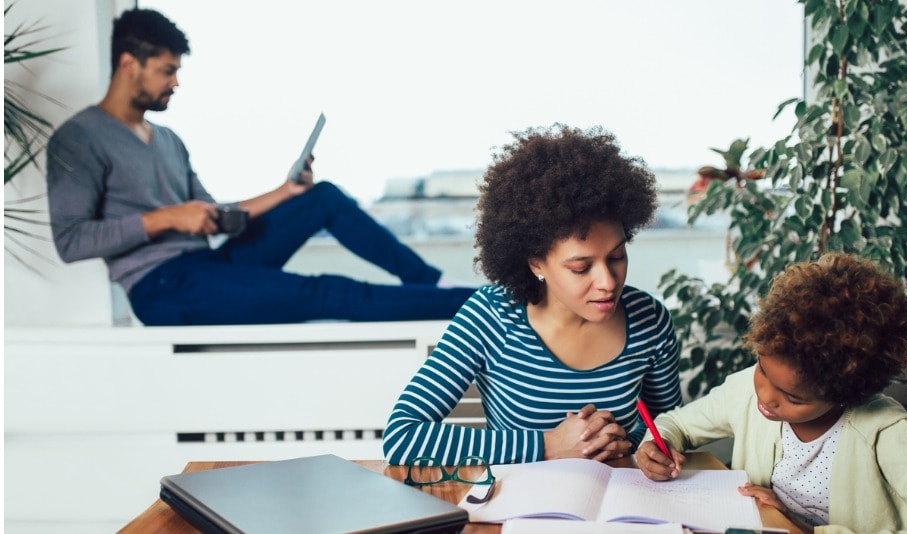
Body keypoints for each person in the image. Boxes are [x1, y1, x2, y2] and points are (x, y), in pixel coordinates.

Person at [45, 8, 475, 326]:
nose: (176, 82)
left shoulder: (168, 140)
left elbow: (213, 216)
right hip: (162, 289)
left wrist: (284, 193)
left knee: (321, 196)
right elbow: (70, 241)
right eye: (166, 71)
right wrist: (168, 218)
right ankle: (476, 306)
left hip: (207, 265)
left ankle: (434, 282)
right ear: (128, 64)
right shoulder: (80, 138)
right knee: (326, 290)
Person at [383, 124, 682, 466]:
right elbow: (402, 436)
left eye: (616, 257)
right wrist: (549, 444)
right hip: (521, 512)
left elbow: (670, 428)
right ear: (537, 263)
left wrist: (641, 447)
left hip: (621, 507)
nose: (608, 282)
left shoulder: (650, 320)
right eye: (581, 267)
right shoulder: (491, 316)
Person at [635, 253, 907, 533]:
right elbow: (677, 424)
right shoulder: (746, 391)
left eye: (794, 398)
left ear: (847, 393)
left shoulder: (889, 434)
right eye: (762, 369)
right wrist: (657, 445)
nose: (766, 395)